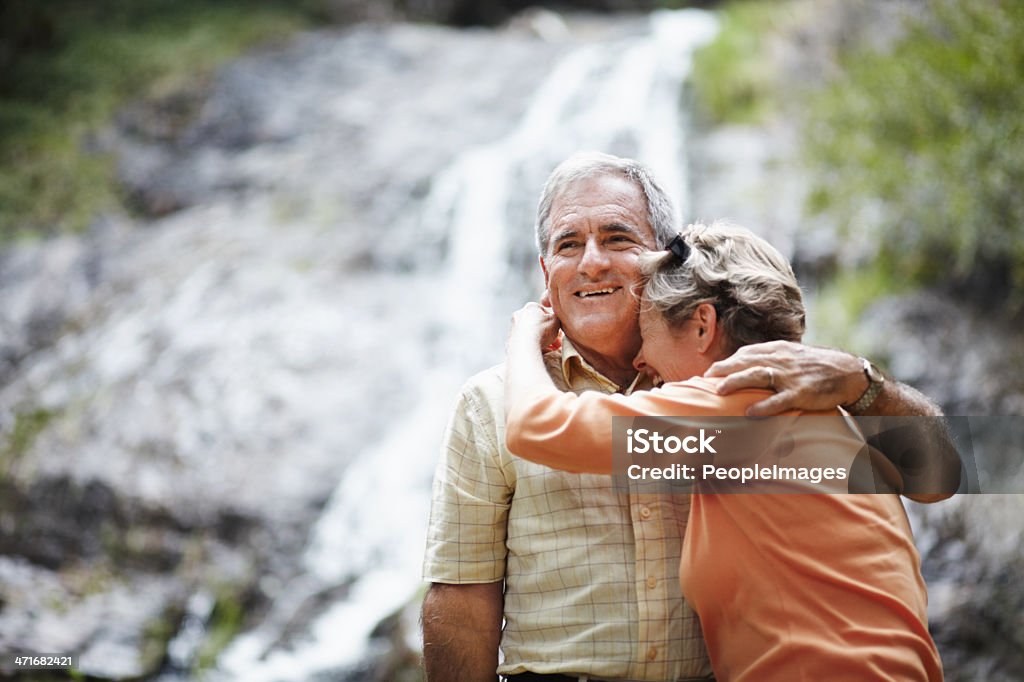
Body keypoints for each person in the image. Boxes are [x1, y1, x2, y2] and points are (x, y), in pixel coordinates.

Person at [421, 152, 947, 682]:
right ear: (545, 273)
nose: (592, 262)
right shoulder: (489, 401)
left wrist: (866, 382)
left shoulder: (767, 394)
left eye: (618, 238)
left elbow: (942, 474)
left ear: (666, 268)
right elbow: (460, 595)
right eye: (568, 244)